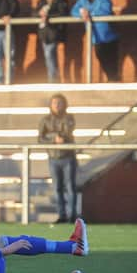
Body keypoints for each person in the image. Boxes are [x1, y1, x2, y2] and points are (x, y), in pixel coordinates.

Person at [38, 94, 77, 223]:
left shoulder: (69, 118)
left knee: (70, 187)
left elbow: (66, 132)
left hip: (68, 157)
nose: (57, 105)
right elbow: (40, 138)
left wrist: (53, 136)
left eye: (60, 103)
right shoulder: (45, 120)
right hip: (53, 158)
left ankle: (72, 215)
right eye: (54, 103)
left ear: (64, 104)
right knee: (57, 188)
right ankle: (62, 215)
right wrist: (54, 138)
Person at [71, 0, 120, 82]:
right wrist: (81, 13)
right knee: (103, 60)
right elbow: (74, 11)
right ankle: (112, 81)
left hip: (109, 36)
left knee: (112, 64)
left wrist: (89, 13)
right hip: (96, 38)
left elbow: (106, 10)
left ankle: (114, 82)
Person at [35, 0, 69, 83]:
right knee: (48, 56)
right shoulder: (41, 2)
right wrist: (39, 14)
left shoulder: (61, 2)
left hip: (54, 32)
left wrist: (48, 16)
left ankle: (53, 80)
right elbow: (34, 13)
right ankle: (54, 78)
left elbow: (62, 13)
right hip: (44, 33)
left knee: (49, 54)